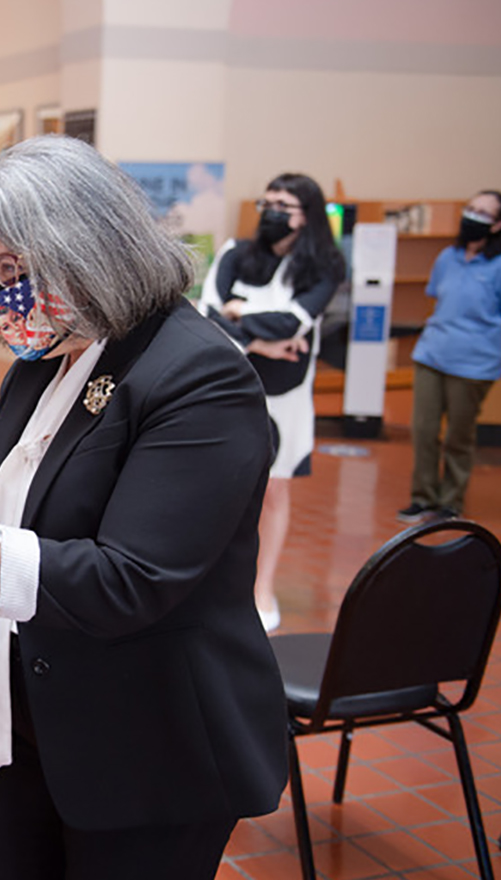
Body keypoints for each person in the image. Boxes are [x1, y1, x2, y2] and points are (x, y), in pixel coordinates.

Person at [0, 136, 288, 880]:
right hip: (39, 716)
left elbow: (128, 580)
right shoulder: (50, 360)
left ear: (87, 249)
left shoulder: (197, 376)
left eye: (13, 269)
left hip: (152, 742)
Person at [199, 173, 346, 632]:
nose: (273, 211)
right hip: (226, 386)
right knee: (218, 485)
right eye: (269, 202)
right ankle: (211, 584)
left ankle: (262, 588)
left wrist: (240, 314)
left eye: (285, 204)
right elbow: (207, 317)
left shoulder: (325, 265)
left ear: (308, 216)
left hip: (284, 396)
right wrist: (259, 342)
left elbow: (293, 323)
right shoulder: (233, 254)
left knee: (274, 489)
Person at [398, 190, 501, 523]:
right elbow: (436, 299)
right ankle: (422, 497)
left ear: (498, 225)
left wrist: (479, 338)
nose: (473, 216)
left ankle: (450, 502)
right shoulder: (447, 257)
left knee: (458, 435)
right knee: (423, 430)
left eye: (483, 213)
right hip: (432, 354)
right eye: (471, 209)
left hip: (474, 364)